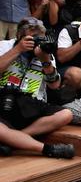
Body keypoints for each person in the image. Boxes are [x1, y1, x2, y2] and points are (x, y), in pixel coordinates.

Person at [0, 18, 74, 157]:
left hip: (31, 103)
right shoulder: (5, 46)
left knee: (66, 115)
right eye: (31, 38)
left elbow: (55, 85)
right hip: (4, 99)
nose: (35, 42)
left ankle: (13, 139)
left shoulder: (45, 53)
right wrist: (17, 50)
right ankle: (47, 149)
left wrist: (45, 61)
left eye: (38, 38)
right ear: (19, 36)